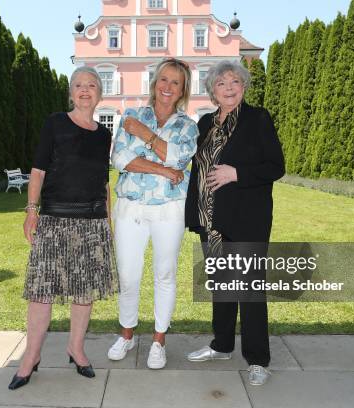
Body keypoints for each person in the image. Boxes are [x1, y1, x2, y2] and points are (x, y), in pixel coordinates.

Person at [9, 66, 117, 390]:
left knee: (83, 293)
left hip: (93, 223)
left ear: (99, 93)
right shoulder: (55, 123)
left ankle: (76, 349)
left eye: (92, 85)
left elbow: (103, 181)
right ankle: (31, 356)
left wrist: (107, 223)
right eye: (79, 85)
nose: (85, 90)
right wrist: (31, 211)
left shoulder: (103, 135)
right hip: (54, 221)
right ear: (71, 93)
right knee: (42, 293)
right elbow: (38, 170)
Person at [184, 60, 285, 386]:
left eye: (234, 82)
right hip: (210, 218)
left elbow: (276, 166)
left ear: (243, 86)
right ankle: (222, 345)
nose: (228, 87)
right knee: (222, 286)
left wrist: (236, 173)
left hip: (248, 218)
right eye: (221, 83)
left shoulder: (258, 119)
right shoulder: (204, 123)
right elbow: (192, 163)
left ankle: (258, 359)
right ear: (212, 90)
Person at [107, 58, 199, 369]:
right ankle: (127, 334)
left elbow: (179, 157)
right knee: (129, 275)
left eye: (176, 82)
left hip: (169, 209)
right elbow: (119, 158)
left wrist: (145, 137)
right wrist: (162, 167)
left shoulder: (188, 126)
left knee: (165, 274)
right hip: (130, 206)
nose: (168, 87)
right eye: (164, 80)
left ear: (183, 89)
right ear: (154, 82)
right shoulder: (131, 115)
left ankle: (159, 340)